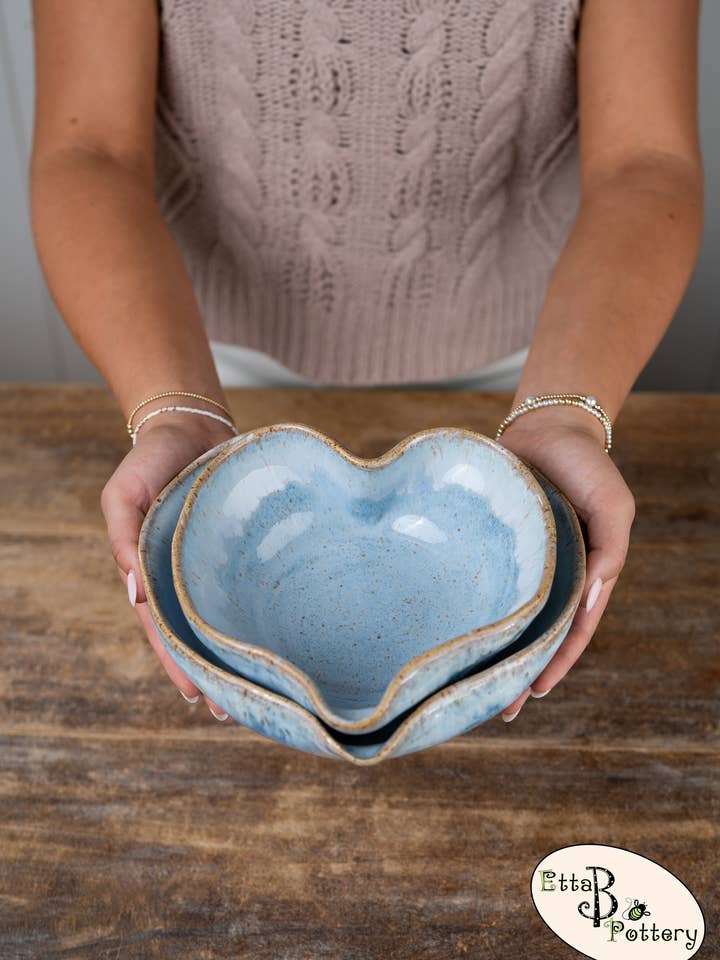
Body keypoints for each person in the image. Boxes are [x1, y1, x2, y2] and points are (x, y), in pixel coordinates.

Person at [29, 0, 703, 723]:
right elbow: (89, 148)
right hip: (199, 361)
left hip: (543, 363)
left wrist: (568, 413)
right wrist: (174, 408)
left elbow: (646, 160)